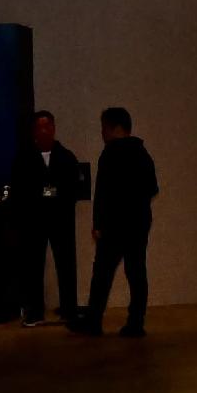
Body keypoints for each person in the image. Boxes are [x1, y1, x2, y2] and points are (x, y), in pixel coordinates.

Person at [79, 106, 157, 337]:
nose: (102, 133)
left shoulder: (110, 154)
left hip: (114, 225)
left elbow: (103, 193)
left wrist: (98, 223)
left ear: (115, 128)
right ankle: (136, 322)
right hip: (138, 222)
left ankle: (93, 321)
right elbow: (152, 187)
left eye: (104, 128)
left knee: (102, 273)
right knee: (136, 272)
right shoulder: (142, 153)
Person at [20, 110, 86, 325]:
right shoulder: (24, 158)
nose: (45, 130)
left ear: (54, 129)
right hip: (34, 221)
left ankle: (69, 309)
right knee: (32, 267)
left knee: (66, 264)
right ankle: (34, 312)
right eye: (40, 127)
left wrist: (56, 195)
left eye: (48, 126)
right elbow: (19, 189)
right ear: (34, 131)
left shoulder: (66, 157)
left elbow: (74, 188)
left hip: (61, 220)